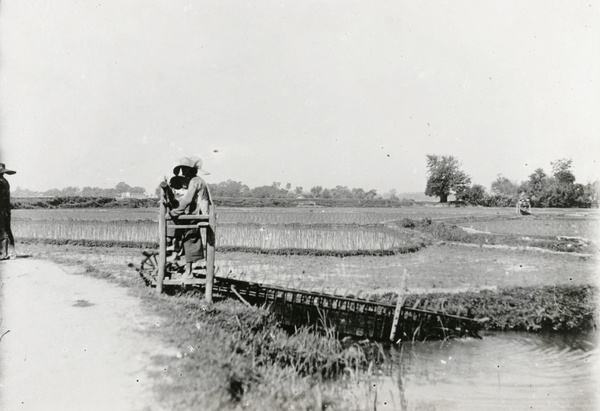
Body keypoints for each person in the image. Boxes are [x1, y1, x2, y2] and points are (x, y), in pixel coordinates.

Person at [168, 157, 212, 280]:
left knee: (189, 238)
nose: (184, 172)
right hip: (196, 212)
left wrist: (175, 212)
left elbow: (188, 199)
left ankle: (188, 271)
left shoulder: (195, 181)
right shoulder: (194, 180)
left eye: (185, 169)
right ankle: (175, 252)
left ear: (190, 170)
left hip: (200, 213)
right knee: (181, 230)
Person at [0, 163, 17, 260]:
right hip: (5, 210)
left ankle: (3, 254)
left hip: (2, 210)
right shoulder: (4, 181)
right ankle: (11, 252)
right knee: (6, 230)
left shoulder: (1, 182)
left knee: (3, 231)